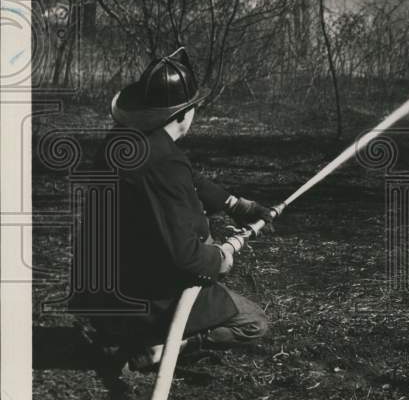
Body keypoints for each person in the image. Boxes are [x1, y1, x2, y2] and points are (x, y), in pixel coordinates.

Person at [83, 47, 275, 371]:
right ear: (183, 114)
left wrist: (237, 205)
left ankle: (126, 333)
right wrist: (219, 259)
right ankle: (162, 347)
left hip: (106, 289)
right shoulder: (162, 163)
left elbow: (192, 179)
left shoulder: (127, 141)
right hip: (149, 294)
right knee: (254, 322)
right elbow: (183, 256)